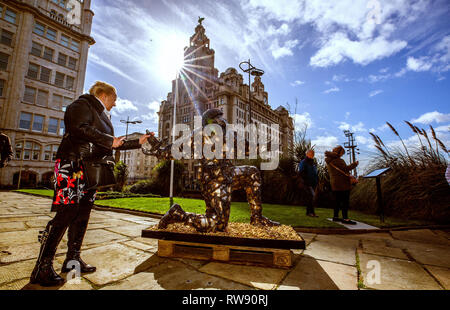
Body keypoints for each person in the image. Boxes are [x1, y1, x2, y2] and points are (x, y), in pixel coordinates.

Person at [30, 81, 150, 287]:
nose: (115, 102)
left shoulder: (102, 116)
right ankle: (42, 267)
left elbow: (109, 144)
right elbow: (77, 128)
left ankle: (72, 259)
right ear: (104, 94)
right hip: (72, 164)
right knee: (67, 212)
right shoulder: (82, 105)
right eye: (114, 98)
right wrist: (107, 138)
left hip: (90, 170)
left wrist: (138, 143)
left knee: (82, 214)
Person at [144, 108, 280, 233]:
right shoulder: (198, 136)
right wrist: (157, 146)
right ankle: (178, 215)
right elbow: (174, 150)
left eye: (222, 118)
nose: (222, 120)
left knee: (252, 173)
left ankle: (257, 218)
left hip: (229, 175)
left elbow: (247, 148)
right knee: (219, 224)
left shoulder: (230, 135)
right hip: (213, 183)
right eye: (218, 118)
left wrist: (266, 146)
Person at [325, 145, 359, 225]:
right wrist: (354, 164)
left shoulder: (329, 160)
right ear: (339, 152)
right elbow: (346, 169)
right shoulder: (339, 160)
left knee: (337, 201)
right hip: (343, 184)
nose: (342, 155)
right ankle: (345, 218)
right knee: (345, 201)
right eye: (342, 153)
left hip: (334, 183)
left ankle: (335, 217)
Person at [298, 149, 319, 217]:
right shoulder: (304, 162)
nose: (312, 155)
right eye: (310, 153)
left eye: (313, 154)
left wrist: (316, 180)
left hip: (313, 183)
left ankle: (311, 212)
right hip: (307, 183)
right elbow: (301, 172)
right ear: (307, 154)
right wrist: (306, 181)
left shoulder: (312, 162)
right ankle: (310, 212)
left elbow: (315, 172)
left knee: (311, 197)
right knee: (310, 197)